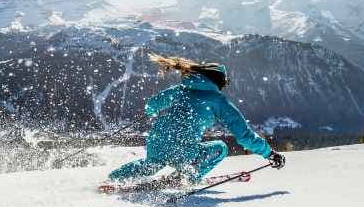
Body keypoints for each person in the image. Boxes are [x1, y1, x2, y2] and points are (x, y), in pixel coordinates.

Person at [107, 53, 285, 184]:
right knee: (220, 148)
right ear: (218, 81)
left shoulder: (180, 89)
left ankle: (112, 179)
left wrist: (152, 111)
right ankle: (186, 178)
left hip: (156, 142)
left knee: (153, 163)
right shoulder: (219, 101)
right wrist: (270, 153)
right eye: (225, 82)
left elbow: (152, 105)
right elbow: (244, 136)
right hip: (181, 149)